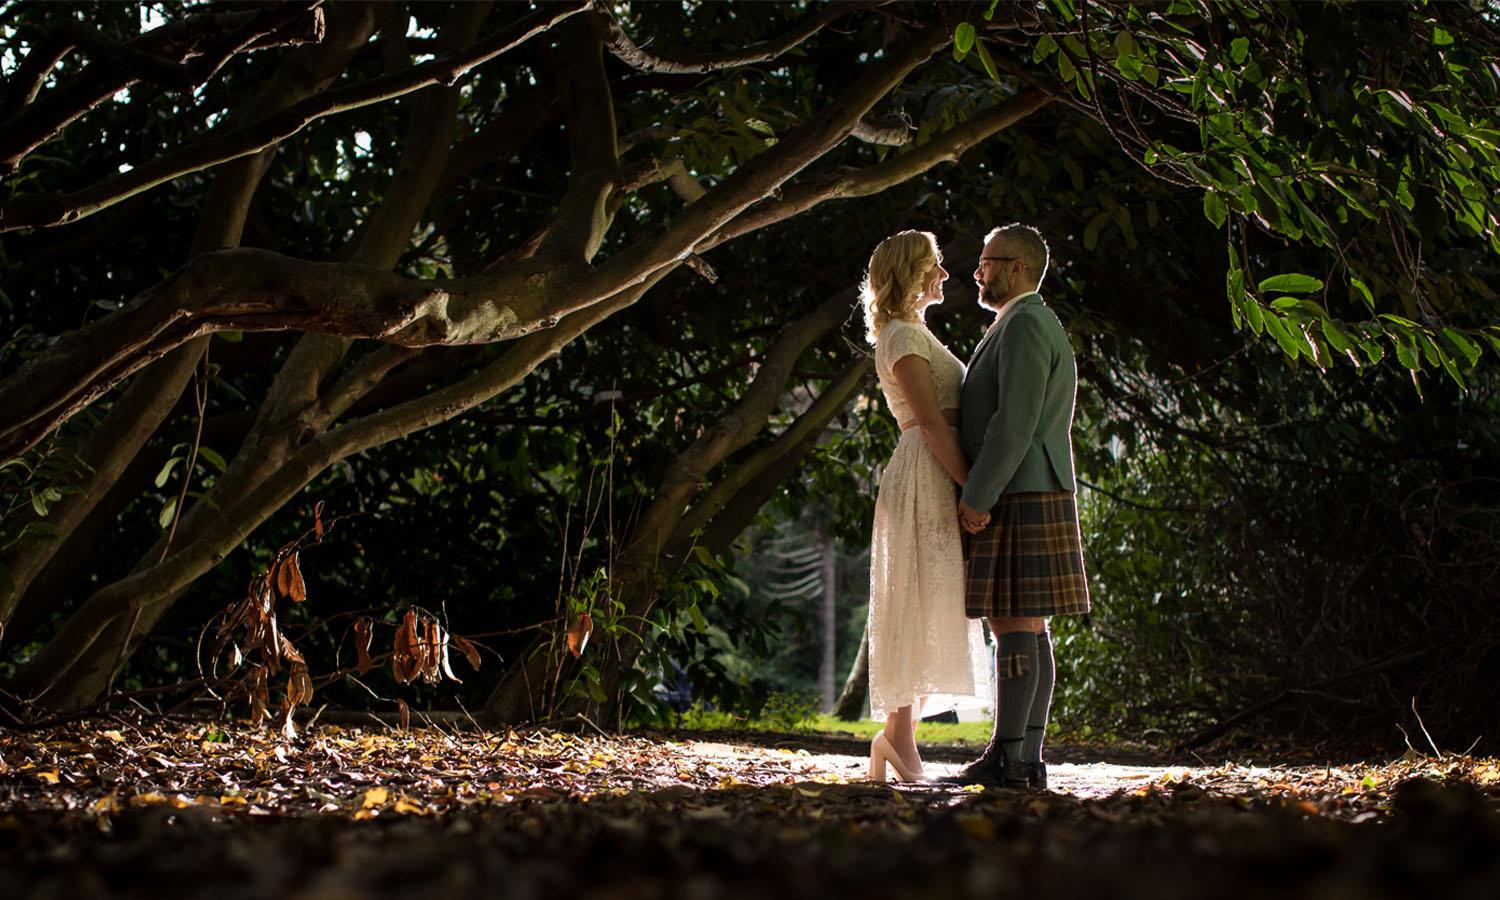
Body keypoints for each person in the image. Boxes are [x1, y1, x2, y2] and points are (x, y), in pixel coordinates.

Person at [944, 223, 1091, 790]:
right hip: (1030, 487)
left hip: (1018, 488)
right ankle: (1024, 761)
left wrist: (978, 496)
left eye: (987, 263)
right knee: (1028, 626)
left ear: (1019, 268)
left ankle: (1010, 758)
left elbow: (1015, 422)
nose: (978, 273)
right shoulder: (1021, 321)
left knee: (1015, 626)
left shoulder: (1027, 323)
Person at [862, 230, 989, 783]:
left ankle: (895, 740)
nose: (944, 275)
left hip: (932, 470)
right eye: (934, 267)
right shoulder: (900, 337)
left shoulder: (912, 332)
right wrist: (970, 486)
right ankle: (899, 742)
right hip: (924, 472)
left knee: (927, 597)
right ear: (911, 273)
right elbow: (931, 422)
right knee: (913, 599)